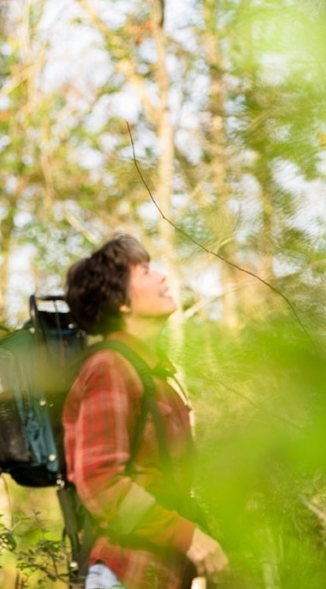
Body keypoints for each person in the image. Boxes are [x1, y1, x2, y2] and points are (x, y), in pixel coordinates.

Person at [63, 234, 228, 589]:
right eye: (145, 271)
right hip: (124, 574)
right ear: (121, 301)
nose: (163, 278)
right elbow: (100, 480)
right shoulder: (110, 367)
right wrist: (186, 536)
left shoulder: (153, 375)